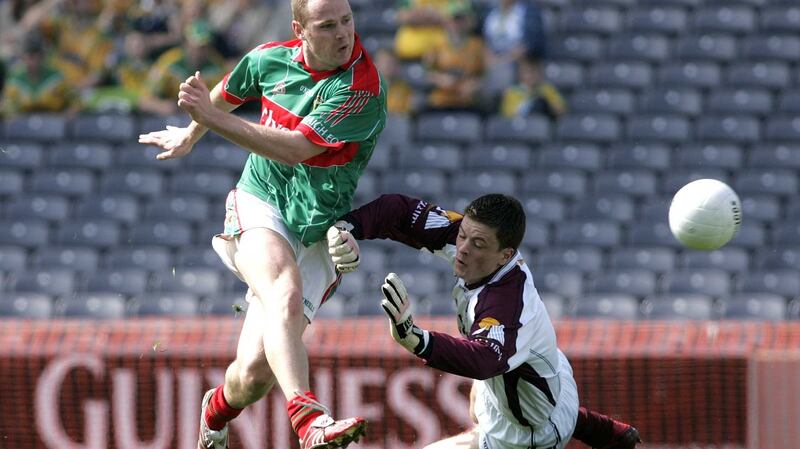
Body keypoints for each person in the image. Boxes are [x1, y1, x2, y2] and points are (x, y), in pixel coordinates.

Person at [138, 0, 387, 447]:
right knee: (284, 292)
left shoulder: (361, 89)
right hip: (261, 201)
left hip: (313, 227)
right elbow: (227, 93)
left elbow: (293, 148)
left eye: (347, 21)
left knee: (252, 377)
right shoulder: (268, 59)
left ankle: (214, 413)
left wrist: (210, 120)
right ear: (300, 29)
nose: (343, 34)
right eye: (327, 25)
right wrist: (189, 136)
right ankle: (310, 420)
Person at [326, 193, 642, 449]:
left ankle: (586, 426)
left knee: (486, 399)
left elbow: (485, 360)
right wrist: (345, 229)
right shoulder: (470, 237)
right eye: (463, 235)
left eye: (477, 245)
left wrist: (416, 338)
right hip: (542, 375)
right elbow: (398, 211)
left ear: (505, 255)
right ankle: (595, 427)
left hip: (529, 433)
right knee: (480, 399)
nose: (462, 249)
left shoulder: (506, 302)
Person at [499, 53, 566, 120]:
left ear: (540, 73)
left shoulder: (547, 89)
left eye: (533, 71)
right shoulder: (511, 93)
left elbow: (561, 110)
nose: (530, 76)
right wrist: (528, 106)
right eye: (526, 72)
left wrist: (546, 101)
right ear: (519, 74)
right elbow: (508, 117)